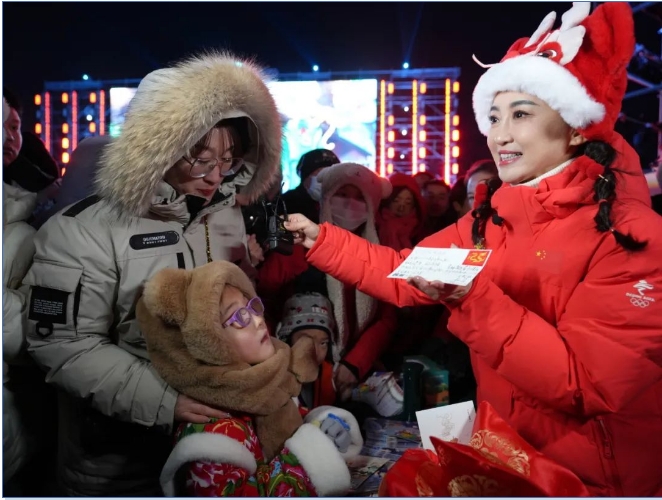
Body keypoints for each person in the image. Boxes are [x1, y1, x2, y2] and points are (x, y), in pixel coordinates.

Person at [285, 3, 662, 496]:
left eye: (521, 114)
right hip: (509, 456)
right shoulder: (492, 217)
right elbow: (404, 270)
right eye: (494, 116)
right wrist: (323, 240)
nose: (499, 134)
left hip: (593, 478)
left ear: (575, 126)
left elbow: (586, 383)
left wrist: (472, 299)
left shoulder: (632, 235)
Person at [22, 51, 283, 496]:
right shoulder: (81, 230)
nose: (215, 176)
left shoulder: (223, 216)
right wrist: (164, 402)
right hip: (118, 466)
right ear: (157, 147)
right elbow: (63, 344)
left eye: (227, 160)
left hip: (217, 450)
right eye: (199, 158)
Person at [137, 261, 360, 497]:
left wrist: (320, 424)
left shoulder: (270, 387)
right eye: (238, 317)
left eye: (252, 306)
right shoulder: (211, 437)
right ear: (209, 346)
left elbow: (291, 419)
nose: (258, 320)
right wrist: (314, 453)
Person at [276, 292, 337, 408]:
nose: (316, 352)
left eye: (323, 343)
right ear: (287, 341)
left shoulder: (332, 377)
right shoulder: (275, 380)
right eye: (306, 341)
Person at [281, 148, 340, 223]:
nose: (326, 180)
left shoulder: (341, 207)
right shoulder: (285, 204)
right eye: (320, 174)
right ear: (305, 178)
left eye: (332, 175)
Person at [377, 172, 426, 251]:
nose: (401, 207)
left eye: (408, 203)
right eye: (396, 201)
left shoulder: (420, 231)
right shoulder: (374, 227)